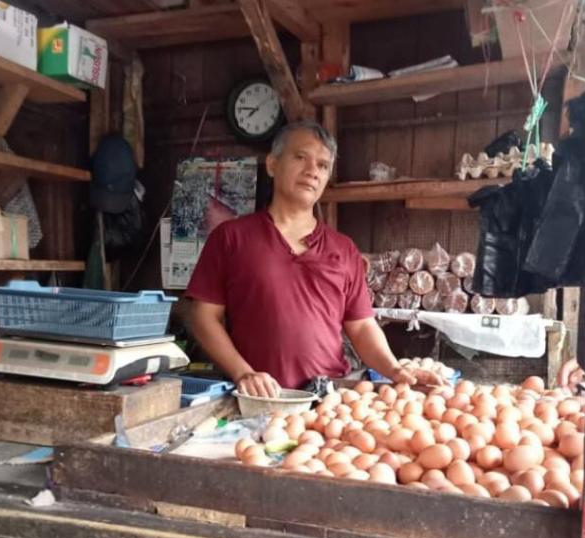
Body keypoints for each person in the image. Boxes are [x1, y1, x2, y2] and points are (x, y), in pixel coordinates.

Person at [186, 121, 444, 397]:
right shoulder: (231, 237)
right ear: (273, 164)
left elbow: (361, 326)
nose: (312, 172)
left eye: (322, 165)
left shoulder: (343, 249)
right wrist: (243, 372)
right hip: (257, 398)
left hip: (329, 397)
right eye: (301, 158)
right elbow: (202, 316)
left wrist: (394, 369)